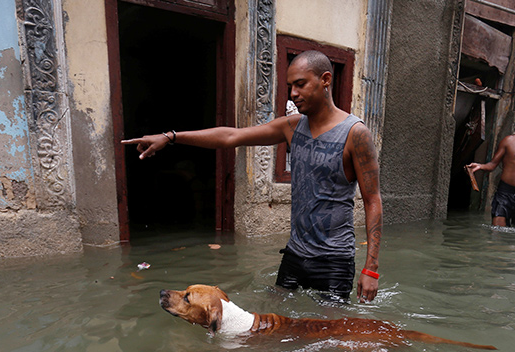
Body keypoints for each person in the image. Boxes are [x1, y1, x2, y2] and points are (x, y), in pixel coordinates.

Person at [123, 50, 383, 303]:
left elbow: (372, 200)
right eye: (290, 86)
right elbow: (231, 136)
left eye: (300, 84)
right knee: (273, 324)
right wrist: (171, 137)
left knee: (327, 336)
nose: (293, 93)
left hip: (334, 260)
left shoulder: (355, 133)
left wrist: (370, 268)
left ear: (325, 80)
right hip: (295, 253)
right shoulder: (291, 127)